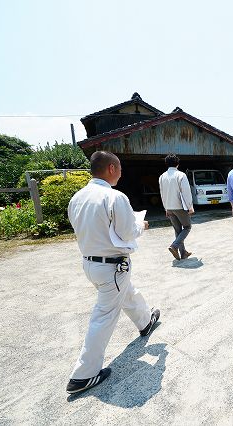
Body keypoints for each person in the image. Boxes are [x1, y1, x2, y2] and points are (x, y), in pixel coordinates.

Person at [66, 151, 160, 394]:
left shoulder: (77, 197)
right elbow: (128, 231)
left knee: (126, 292)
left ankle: (145, 321)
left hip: (90, 263)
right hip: (112, 265)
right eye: (119, 168)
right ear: (110, 168)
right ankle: (83, 375)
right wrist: (141, 225)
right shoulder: (114, 196)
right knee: (104, 315)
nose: (121, 173)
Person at [159, 153, 194, 260]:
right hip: (180, 207)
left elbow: (162, 193)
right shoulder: (181, 175)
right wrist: (190, 206)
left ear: (166, 164)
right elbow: (186, 192)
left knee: (178, 230)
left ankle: (183, 253)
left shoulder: (162, 176)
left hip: (169, 207)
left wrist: (165, 208)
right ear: (178, 164)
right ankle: (174, 246)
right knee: (187, 227)